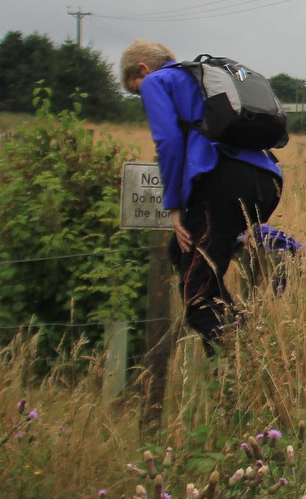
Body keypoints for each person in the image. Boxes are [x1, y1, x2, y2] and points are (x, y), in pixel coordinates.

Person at [120, 40, 283, 349]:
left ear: (144, 69)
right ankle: (237, 339)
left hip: (222, 181)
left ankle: (242, 359)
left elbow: (168, 143)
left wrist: (176, 206)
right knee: (181, 255)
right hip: (267, 180)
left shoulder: (157, 80)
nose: (142, 95)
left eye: (136, 89)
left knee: (197, 296)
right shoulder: (200, 81)